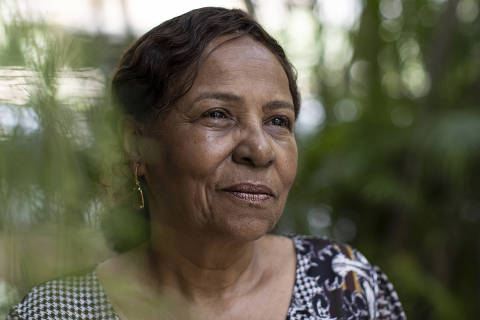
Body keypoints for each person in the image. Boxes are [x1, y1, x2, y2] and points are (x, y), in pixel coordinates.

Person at [7, 7, 406, 320]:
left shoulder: (344, 285)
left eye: (278, 121)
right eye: (217, 114)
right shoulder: (55, 312)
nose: (261, 150)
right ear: (137, 143)